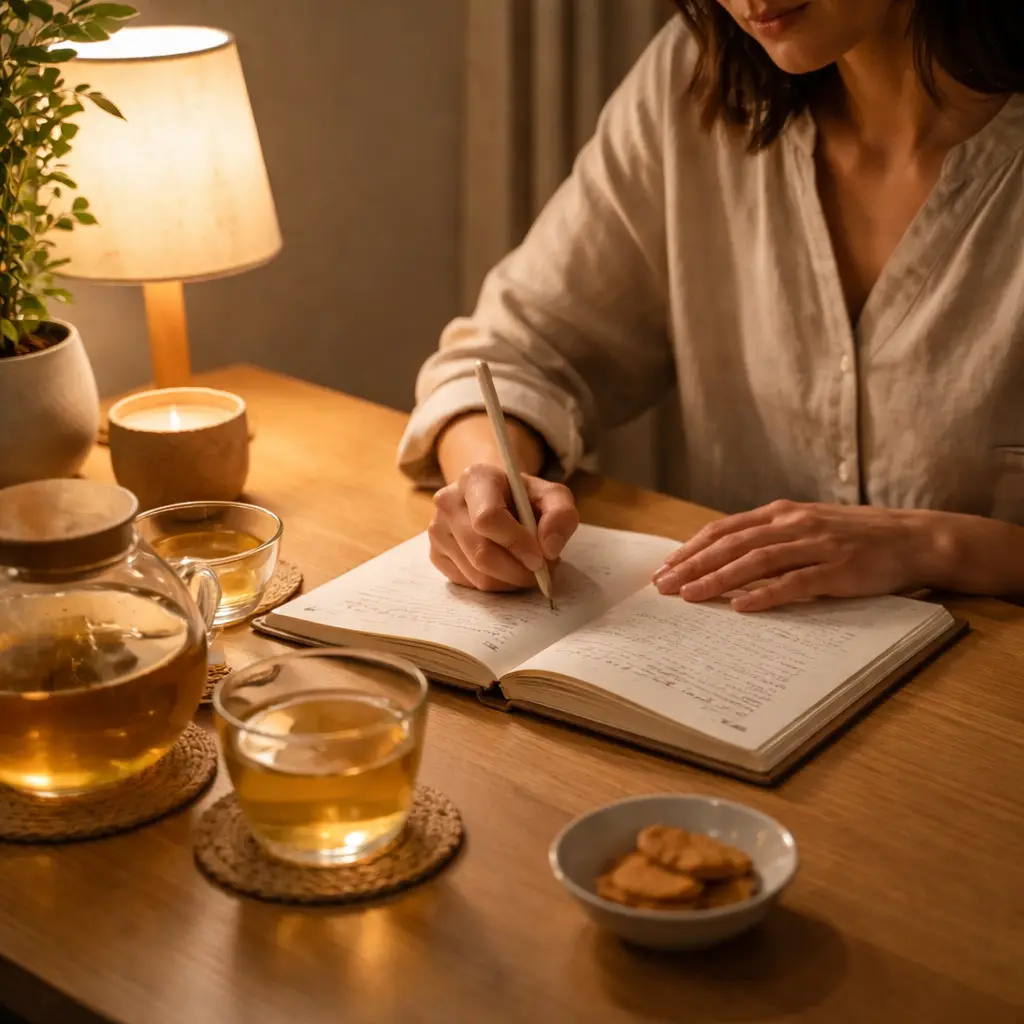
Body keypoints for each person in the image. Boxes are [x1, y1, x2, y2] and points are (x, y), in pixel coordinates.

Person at [398, 1, 1024, 612]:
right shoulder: (695, 84)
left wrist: (939, 547)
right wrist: (489, 485)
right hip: (743, 657)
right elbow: (512, 351)